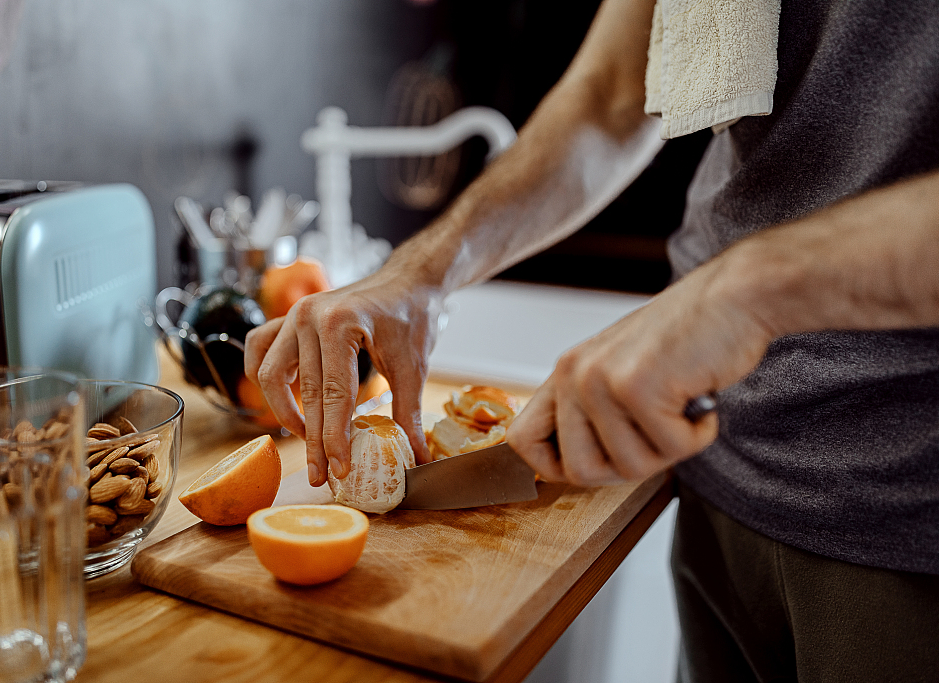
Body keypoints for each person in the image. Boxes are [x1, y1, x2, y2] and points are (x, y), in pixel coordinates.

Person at [245, 0, 939, 679]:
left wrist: (749, 286)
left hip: (905, 508)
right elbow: (612, 93)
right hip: (717, 459)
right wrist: (420, 274)